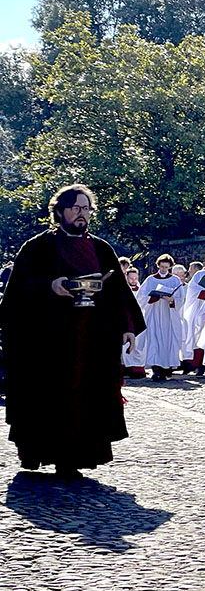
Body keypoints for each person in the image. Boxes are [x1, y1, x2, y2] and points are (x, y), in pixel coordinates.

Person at [0, 184, 144, 476]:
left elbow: (118, 292)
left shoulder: (102, 249)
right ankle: (39, 451)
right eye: (76, 208)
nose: (82, 214)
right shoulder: (37, 247)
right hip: (48, 342)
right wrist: (49, 287)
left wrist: (127, 327)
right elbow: (17, 293)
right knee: (48, 399)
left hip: (92, 340)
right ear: (60, 211)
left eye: (86, 208)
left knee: (87, 398)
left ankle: (74, 458)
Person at [137, 254, 186, 381]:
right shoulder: (151, 280)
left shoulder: (175, 280)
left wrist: (172, 300)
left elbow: (181, 298)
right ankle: (156, 369)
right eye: (162, 267)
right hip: (154, 313)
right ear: (157, 265)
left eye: (167, 267)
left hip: (169, 314)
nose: (164, 270)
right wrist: (152, 298)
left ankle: (166, 368)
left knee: (168, 341)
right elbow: (141, 297)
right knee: (154, 340)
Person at [122, 267, 147, 379]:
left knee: (140, 344)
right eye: (131, 278)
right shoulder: (122, 290)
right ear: (126, 277)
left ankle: (138, 367)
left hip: (140, 319)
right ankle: (128, 367)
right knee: (127, 343)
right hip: (127, 320)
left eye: (135, 278)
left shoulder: (142, 290)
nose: (133, 280)